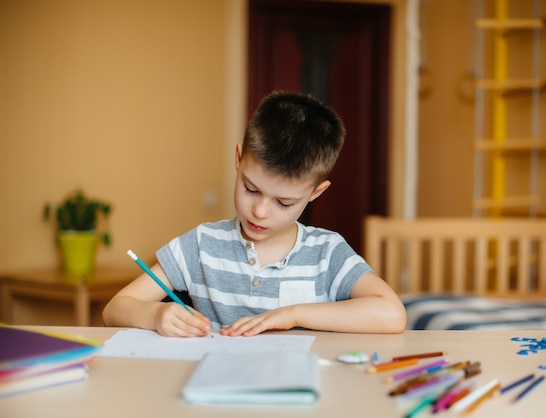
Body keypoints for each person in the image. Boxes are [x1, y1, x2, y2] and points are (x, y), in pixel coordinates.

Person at [102, 91, 407, 337]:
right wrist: (156, 314)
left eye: (283, 203)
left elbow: (392, 314)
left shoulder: (327, 253)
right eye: (250, 189)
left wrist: (293, 314)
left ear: (316, 192)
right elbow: (115, 308)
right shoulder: (201, 245)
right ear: (238, 158)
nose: (260, 212)